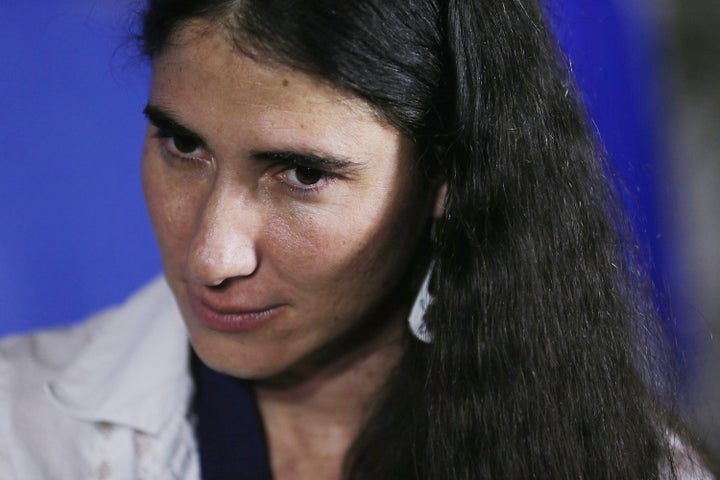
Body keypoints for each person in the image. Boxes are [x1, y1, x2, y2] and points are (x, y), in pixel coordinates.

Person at [0, 0, 715, 478]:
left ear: (447, 181)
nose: (212, 256)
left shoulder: (638, 469)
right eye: (182, 144)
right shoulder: (19, 425)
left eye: (303, 174)